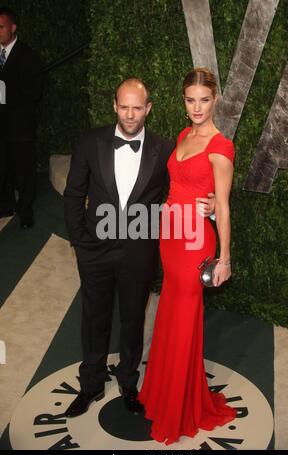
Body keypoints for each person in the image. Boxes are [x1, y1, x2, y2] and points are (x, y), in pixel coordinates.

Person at [63, 78, 214, 417]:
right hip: (95, 249)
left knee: (133, 319)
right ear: (115, 106)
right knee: (94, 317)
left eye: (137, 108)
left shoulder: (164, 150)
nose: (130, 115)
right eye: (124, 107)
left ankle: (129, 384)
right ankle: (90, 385)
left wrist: (215, 201)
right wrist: (79, 240)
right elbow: (74, 193)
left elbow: (186, 187)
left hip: (139, 252)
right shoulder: (90, 141)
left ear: (148, 109)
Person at [139, 68, 237, 445]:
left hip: (196, 243)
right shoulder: (183, 135)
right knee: (169, 314)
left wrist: (224, 259)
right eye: (190, 100)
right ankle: (163, 394)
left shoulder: (220, 145)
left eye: (204, 100)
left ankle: (178, 410)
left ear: (216, 100)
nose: (197, 107)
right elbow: (178, 185)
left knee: (182, 317)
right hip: (171, 235)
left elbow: (223, 207)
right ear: (184, 100)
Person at [0, 7, 43, 228]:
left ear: (13, 28)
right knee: (3, 169)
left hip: (21, 127)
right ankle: (5, 205)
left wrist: (7, 92)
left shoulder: (28, 55)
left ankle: (26, 212)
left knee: (23, 172)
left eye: (0, 27)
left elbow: (35, 91)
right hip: (1, 126)